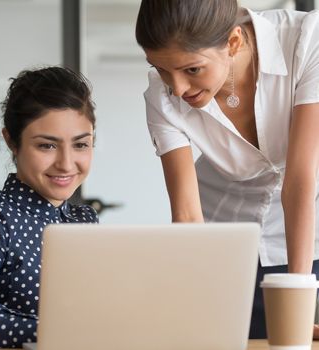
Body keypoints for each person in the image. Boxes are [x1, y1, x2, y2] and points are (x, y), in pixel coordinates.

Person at [135, 0, 319, 338]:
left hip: (308, 238)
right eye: (162, 69)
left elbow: (301, 181)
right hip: (226, 243)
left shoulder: (307, 41)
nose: (177, 88)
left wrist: (297, 302)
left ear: (233, 42)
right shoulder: (161, 98)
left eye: (191, 70)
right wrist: (202, 308)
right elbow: (188, 215)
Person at [0, 66, 99, 348]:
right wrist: (55, 330)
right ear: (11, 142)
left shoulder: (84, 220)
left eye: (81, 145)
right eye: (47, 146)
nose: (66, 163)